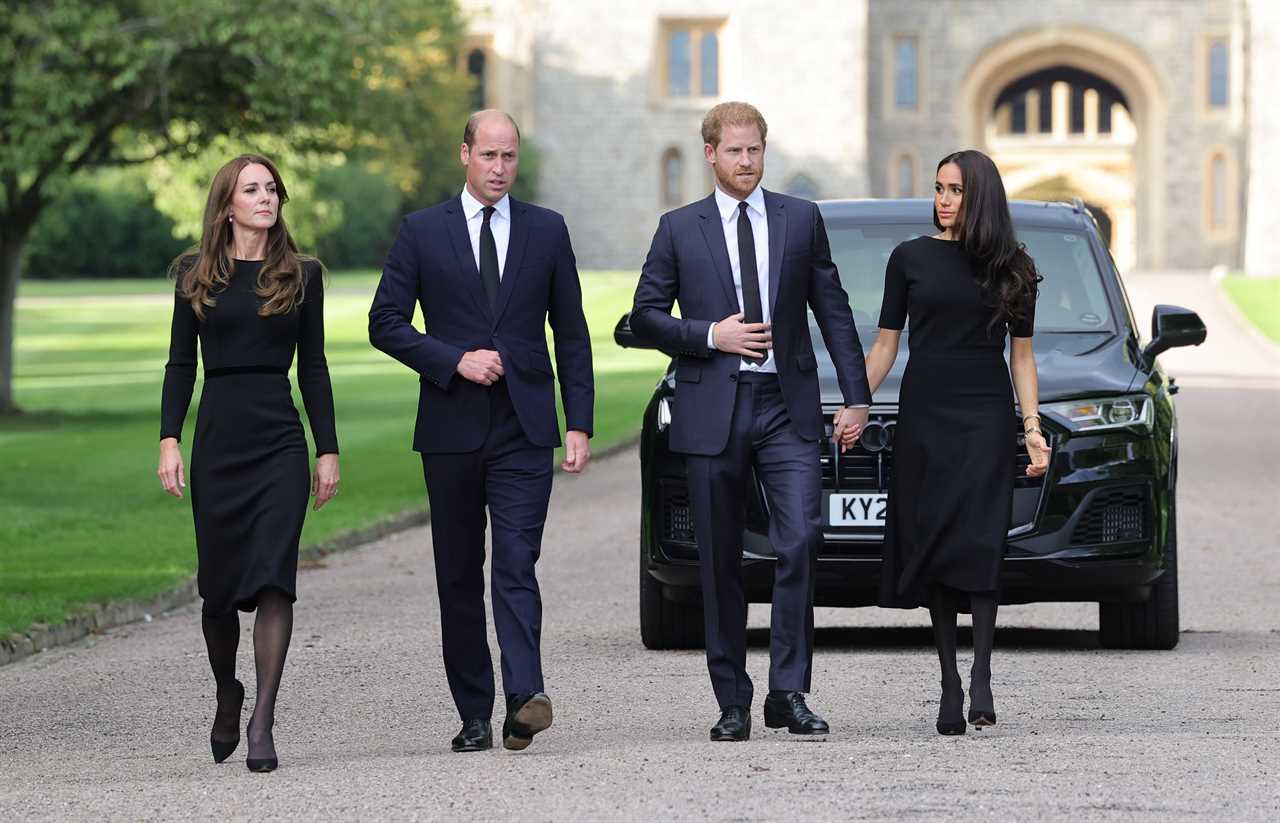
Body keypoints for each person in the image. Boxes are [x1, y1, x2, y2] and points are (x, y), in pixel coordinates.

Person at [630, 101, 871, 742]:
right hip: (713, 407)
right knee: (719, 561)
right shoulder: (679, 228)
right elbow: (646, 315)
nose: (746, 161)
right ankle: (732, 699)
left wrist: (855, 395)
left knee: (800, 541)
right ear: (710, 153)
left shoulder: (801, 219)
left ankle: (787, 693)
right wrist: (712, 334)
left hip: (786, 408)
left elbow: (834, 310)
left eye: (755, 150)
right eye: (734, 151)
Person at [368, 110, 594, 753]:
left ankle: (525, 697)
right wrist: (452, 359)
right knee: (459, 574)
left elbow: (572, 334)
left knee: (517, 563)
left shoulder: (547, 231)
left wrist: (579, 421)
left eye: (510, 157)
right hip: (450, 428)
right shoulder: (421, 232)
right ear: (464, 153)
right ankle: (473, 712)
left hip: (525, 428)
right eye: (489, 156)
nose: (499, 168)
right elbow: (384, 322)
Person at [157, 154, 340, 772]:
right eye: (252, 189)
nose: (266, 198)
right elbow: (181, 363)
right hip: (219, 440)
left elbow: (313, 366)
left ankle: (262, 719)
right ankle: (228, 691)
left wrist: (327, 449)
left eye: (272, 189)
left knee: (273, 579)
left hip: (279, 441)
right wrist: (168, 440)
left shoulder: (302, 274)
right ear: (227, 203)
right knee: (217, 592)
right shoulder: (194, 273)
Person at [864, 149, 1051, 735]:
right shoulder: (909, 258)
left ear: (980, 198)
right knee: (938, 543)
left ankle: (983, 674)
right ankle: (948, 678)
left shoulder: (1015, 267)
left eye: (955, 190)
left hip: (985, 416)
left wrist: (1033, 429)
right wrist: (856, 399)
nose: (943, 199)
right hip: (926, 415)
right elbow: (887, 344)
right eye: (939, 187)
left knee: (980, 540)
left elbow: (1022, 357)